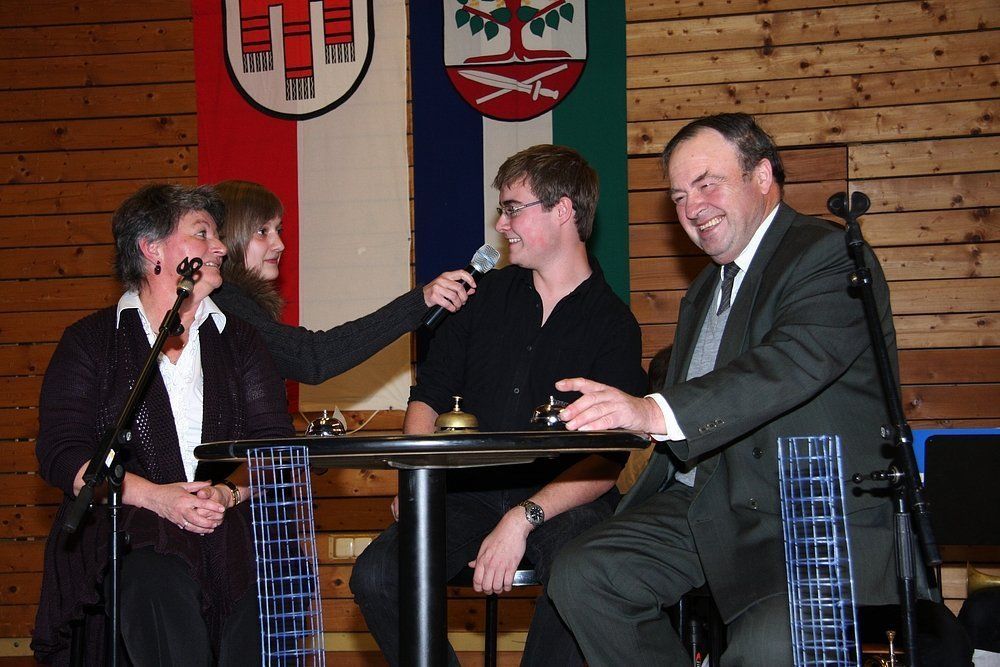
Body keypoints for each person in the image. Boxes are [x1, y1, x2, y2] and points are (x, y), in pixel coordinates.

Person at [548, 113, 920, 665]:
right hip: (709, 501)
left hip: (806, 515)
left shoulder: (830, 254)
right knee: (584, 574)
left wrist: (652, 411)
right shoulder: (704, 288)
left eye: (707, 184)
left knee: (769, 647)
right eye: (679, 197)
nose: (692, 207)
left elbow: (790, 363)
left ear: (762, 176)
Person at [349, 144, 647, 666]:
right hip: (468, 491)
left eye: (513, 208)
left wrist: (522, 518)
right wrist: (416, 481)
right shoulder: (481, 296)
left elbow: (605, 461)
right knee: (377, 575)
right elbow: (429, 395)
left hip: (565, 498)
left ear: (563, 210)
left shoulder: (614, 325)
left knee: (578, 576)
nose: (501, 224)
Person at [31, 184, 294, 665]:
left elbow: (274, 448)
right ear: (152, 249)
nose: (220, 248)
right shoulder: (91, 341)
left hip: (230, 523)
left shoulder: (242, 341)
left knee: (259, 587)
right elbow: (63, 453)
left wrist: (226, 494)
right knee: (153, 582)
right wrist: (158, 498)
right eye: (202, 234)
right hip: (129, 528)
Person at [211, 180, 476, 384]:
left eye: (278, 230)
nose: (279, 244)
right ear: (229, 236)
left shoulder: (236, 304)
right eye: (262, 231)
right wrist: (418, 301)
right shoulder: (226, 305)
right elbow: (312, 358)